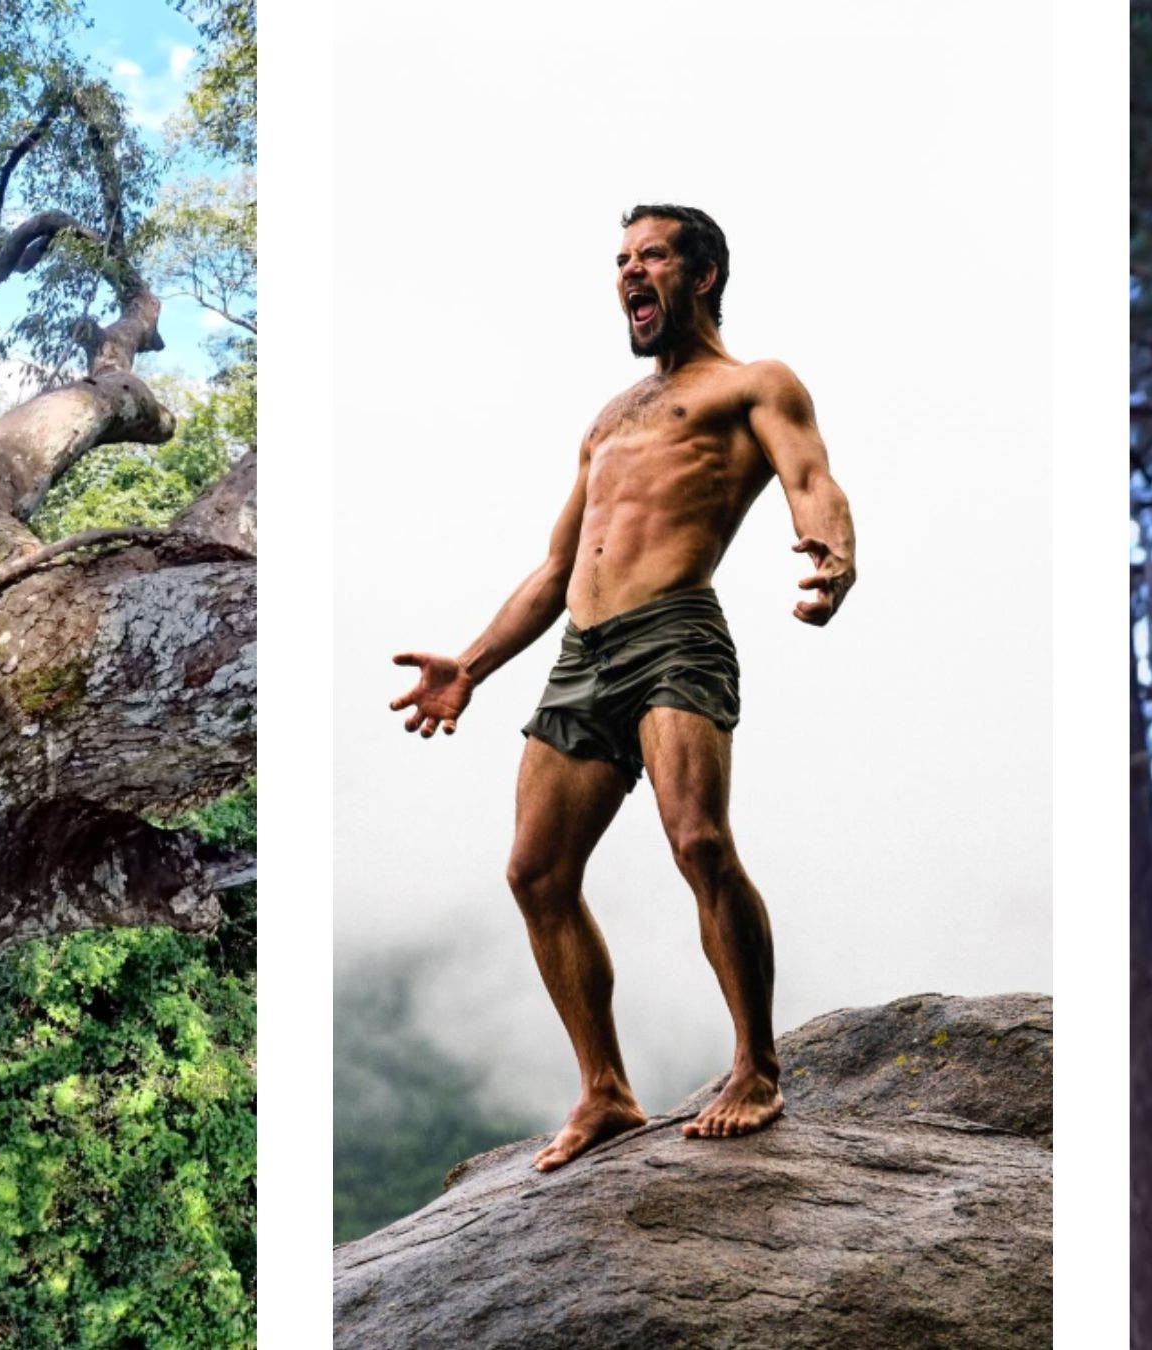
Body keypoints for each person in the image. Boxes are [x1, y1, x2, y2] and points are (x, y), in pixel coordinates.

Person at [389, 204, 858, 1170]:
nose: (630, 274)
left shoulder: (754, 384)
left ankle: (756, 1067)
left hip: (675, 632)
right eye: (620, 260)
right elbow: (558, 567)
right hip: (583, 653)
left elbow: (814, 477)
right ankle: (605, 1090)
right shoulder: (608, 418)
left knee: (698, 839)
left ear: (703, 275)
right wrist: (468, 667)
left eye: (650, 257)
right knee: (535, 874)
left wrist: (834, 550)